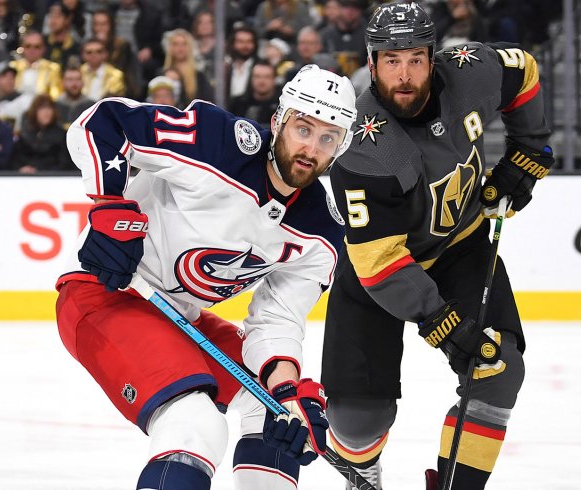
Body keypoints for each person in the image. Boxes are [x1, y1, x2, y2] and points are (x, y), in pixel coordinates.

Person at [56, 64, 356, 489]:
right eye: (302, 129)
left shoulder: (321, 231)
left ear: (340, 148)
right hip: (106, 293)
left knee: (272, 410)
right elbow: (102, 123)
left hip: (182, 316)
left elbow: (277, 321)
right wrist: (108, 204)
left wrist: (288, 391)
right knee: (193, 422)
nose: (311, 148)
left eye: (328, 138)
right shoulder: (217, 142)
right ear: (278, 121)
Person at [321, 4, 553, 490]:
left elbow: (525, 71)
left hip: (461, 247)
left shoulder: (472, 71)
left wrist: (528, 150)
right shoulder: (361, 146)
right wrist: (444, 326)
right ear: (371, 62)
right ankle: (361, 471)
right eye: (390, 61)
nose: (403, 76)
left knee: (499, 368)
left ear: (433, 57)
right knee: (356, 423)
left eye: (414, 60)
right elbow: (380, 262)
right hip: (377, 277)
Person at [12, 94, 72, 172]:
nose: (46, 112)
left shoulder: (62, 135)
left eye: (49, 108)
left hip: (53, 179)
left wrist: (39, 170)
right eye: (42, 108)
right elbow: (14, 160)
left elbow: (64, 163)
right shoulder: (24, 135)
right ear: (34, 111)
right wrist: (21, 169)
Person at [229, 61, 280, 129]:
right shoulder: (238, 103)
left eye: (267, 77)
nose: (262, 81)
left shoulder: (282, 105)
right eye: (257, 77)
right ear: (251, 79)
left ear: (274, 79)